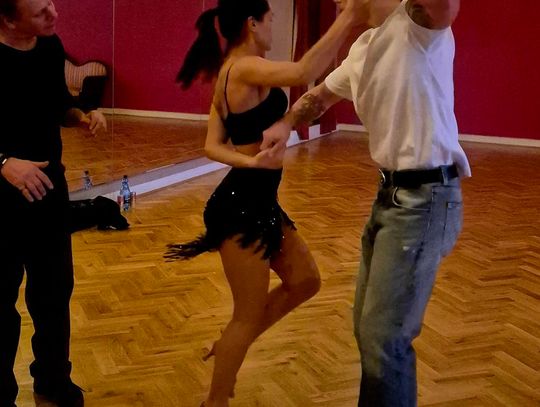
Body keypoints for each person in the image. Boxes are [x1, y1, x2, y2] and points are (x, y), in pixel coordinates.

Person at [261, 0, 470, 405]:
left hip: (425, 200)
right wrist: (285, 124)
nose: (337, 2)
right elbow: (319, 97)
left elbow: (445, 5)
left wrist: (357, 11)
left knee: (384, 339)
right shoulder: (364, 48)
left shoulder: (417, 26)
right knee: (368, 329)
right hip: (390, 198)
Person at [165, 0, 371, 405]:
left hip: (257, 199)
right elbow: (303, 73)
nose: (273, 26)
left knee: (306, 281)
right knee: (246, 314)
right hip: (239, 208)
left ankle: (231, 343)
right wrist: (350, 15)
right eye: (270, 18)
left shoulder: (231, 72)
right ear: (252, 23)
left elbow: (211, 145)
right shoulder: (242, 68)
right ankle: (215, 400)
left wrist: (249, 161)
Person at [0, 0, 107, 406]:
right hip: (1, 199)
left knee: (54, 292)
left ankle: (52, 379)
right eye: (40, 11)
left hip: (49, 191)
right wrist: (5, 163)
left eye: (51, 3)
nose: (54, 13)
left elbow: (58, 103)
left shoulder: (49, 45)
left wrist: (81, 116)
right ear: (8, 20)